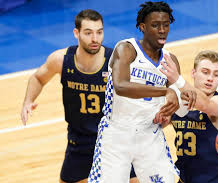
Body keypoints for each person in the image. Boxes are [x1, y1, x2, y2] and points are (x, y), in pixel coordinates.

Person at [20, 9, 137, 183]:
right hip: (79, 141)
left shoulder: (117, 61)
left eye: (99, 32)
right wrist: (28, 101)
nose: (95, 39)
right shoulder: (61, 60)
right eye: (88, 33)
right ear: (77, 33)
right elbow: (38, 77)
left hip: (113, 140)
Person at [88, 1, 196, 183]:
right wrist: (165, 92)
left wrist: (178, 100)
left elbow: (181, 110)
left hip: (149, 134)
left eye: (166, 24)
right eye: (155, 25)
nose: (162, 30)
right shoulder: (127, 49)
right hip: (116, 134)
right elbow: (121, 86)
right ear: (143, 27)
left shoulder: (170, 61)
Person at [159, 50, 218, 183]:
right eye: (205, 72)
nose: (210, 78)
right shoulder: (179, 103)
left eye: (216, 74)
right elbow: (158, 124)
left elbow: (204, 104)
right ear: (193, 73)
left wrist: (177, 79)